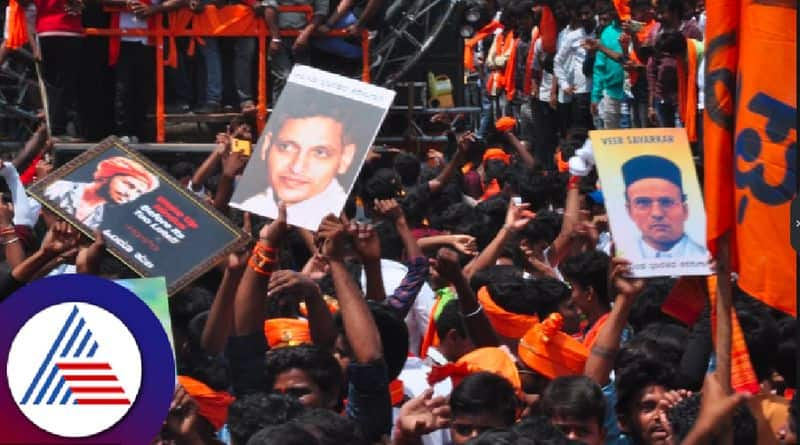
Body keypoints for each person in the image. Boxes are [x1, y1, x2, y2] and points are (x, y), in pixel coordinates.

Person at [230, 98, 364, 229]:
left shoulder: (344, 209)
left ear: (345, 158)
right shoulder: (249, 206)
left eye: (319, 152)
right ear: (266, 146)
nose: (297, 167)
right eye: (286, 147)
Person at [621, 154, 706, 259]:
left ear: (685, 210)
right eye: (643, 203)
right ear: (629, 211)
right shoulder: (623, 258)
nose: (657, 213)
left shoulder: (707, 257)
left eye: (666, 202)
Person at [43, 156, 159, 229]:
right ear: (109, 175)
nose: (130, 194)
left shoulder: (98, 218)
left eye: (138, 192)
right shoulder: (59, 188)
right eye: (129, 185)